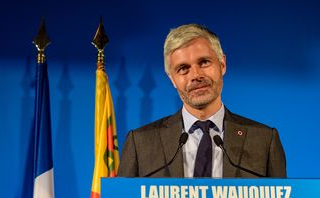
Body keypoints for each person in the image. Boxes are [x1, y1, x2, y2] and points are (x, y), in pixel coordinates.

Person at [118, 24, 286, 178]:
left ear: (222, 64)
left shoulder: (264, 140)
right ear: (172, 79)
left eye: (204, 62)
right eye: (183, 68)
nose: (196, 75)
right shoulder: (140, 143)